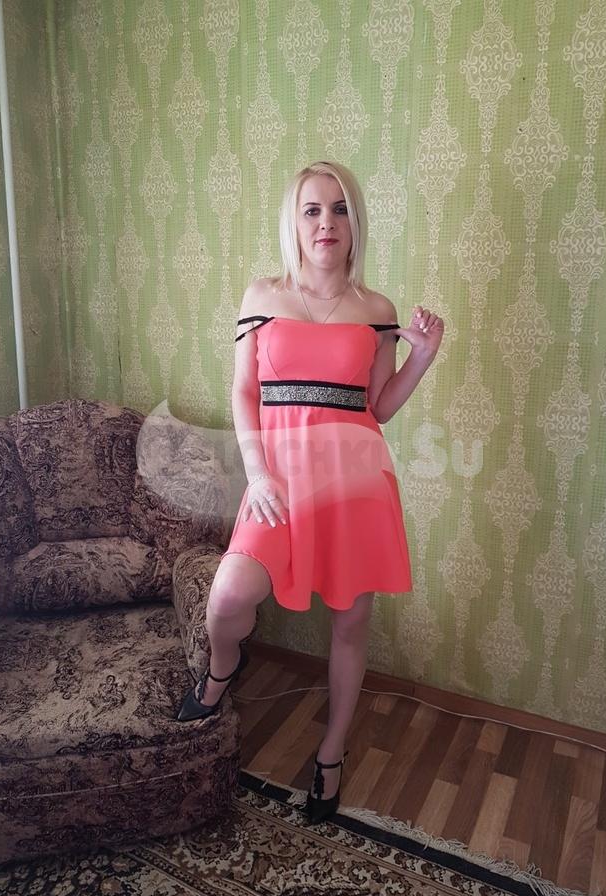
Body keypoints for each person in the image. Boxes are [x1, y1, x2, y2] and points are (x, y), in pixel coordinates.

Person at [177, 160, 444, 825]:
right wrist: (257, 470)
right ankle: (221, 671)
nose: (327, 222)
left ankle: (330, 751)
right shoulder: (262, 295)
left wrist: (422, 357)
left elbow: (378, 407)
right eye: (313, 210)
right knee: (228, 597)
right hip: (277, 481)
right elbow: (244, 391)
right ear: (294, 224)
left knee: (350, 623)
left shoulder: (377, 310)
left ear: (356, 223)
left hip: (355, 484)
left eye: (340, 208)